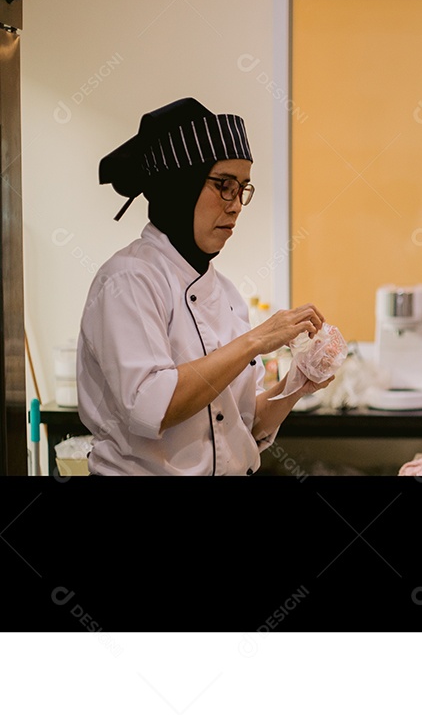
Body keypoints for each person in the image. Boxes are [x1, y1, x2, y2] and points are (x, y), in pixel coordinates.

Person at [78, 98, 332, 475]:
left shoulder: (226, 294)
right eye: (224, 186)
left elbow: (243, 424)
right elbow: (153, 408)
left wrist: (298, 382)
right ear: (179, 187)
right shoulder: (128, 279)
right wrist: (259, 339)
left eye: (243, 188)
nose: (236, 206)